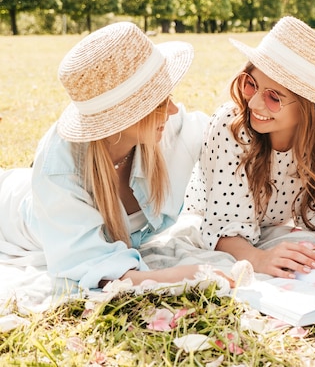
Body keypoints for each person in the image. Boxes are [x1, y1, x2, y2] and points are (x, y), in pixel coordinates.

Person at [0, 22, 210, 290]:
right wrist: (181, 276)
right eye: (157, 103)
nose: (171, 110)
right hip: (9, 208)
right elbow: (92, 265)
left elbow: (224, 137)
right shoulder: (58, 171)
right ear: (122, 117)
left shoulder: (169, 128)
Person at [186, 16, 315, 279]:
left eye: (274, 97)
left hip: (264, 226)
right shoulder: (231, 127)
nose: (254, 104)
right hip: (208, 218)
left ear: (308, 108)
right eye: (251, 84)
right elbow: (221, 231)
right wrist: (259, 258)